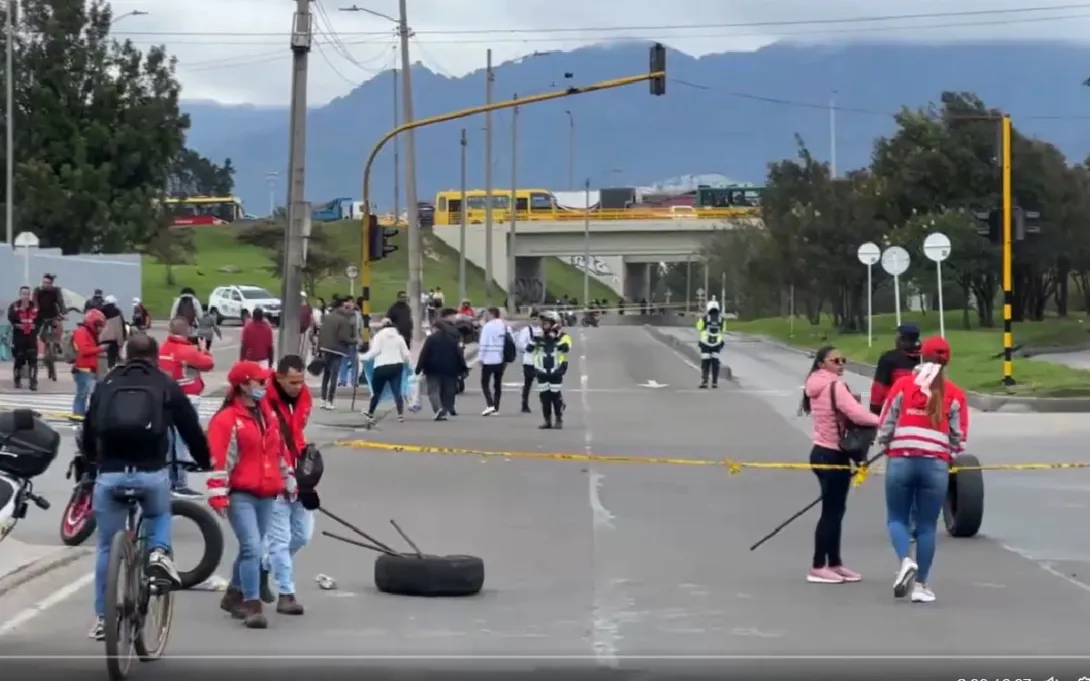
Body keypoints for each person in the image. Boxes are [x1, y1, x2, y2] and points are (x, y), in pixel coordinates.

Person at [81, 333, 212, 641]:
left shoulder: (106, 385)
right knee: (159, 513)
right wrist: (204, 461)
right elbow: (190, 429)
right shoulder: (166, 385)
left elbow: (89, 429)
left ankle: (104, 617)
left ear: (125, 354)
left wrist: (91, 464)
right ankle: (158, 554)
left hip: (110, 474)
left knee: (104, 546)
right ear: (156, 356)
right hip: (151, 473)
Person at [876, 336, 968, 604]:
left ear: (920, 356)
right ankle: (921, 586)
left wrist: (887, 444)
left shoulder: (903, 386)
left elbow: (885, 424)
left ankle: (905, 561)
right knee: (927, 526)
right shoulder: (955, 394)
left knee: (896, 518)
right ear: (947, 360)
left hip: (901, 460)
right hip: (935, 464)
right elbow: (958, 438)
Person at [208, 360, 294, 629]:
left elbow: (277, 451)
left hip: (267, 492)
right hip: (241, 493)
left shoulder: (267, 414)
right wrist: (218, 494)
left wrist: (288, 479)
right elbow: (221, 460)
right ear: (244, 385)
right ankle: (252, 604)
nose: (265, 385)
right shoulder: (227, 420)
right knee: (252, 547)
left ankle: (234, 593)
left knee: (252, 548)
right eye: (259, 381)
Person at [800, 345, 880, 584]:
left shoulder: (815, 384)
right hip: (833, 454)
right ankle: (818, 566)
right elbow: (858, 415)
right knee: (831, 513)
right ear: (822, 363)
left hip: (821, 452)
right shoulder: (835, 386)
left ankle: (834, 563)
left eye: (843, 359)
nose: (841, 364)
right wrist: (886, 422)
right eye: (835, 360)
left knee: (835, 510)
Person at [261, 354, 315, 614]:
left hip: (300, 475)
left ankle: (262, 565)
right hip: (273, 478)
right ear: (279, 377)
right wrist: (282, 474)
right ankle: (286, 593)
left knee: (302, 535)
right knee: (280, 540)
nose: (298, 387)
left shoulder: (305, 398)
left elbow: (298, 434)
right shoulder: (261, 401)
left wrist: (304, 473)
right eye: (293, 382)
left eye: (301, 381)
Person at [159, 317, 216, 497]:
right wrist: (204, 349)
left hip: (165, 397)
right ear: (187, 330)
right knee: (183, 441)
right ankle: (181, 483)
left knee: (169, 442)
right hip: (187, 397)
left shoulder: (162, 349)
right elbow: (208, 364)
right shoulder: (187, 351)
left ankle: (169, 479)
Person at [415, 309, 467, 420]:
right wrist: (463, 368)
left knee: (433, 390)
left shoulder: (431, 339)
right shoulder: (452, 340)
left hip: (432, 369)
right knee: (448, 390)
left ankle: (438, 409)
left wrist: (418, 369)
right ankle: (446, 409)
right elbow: (459, 354)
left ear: (435, 328)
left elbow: (424, 354)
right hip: (450, 369)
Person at [360, 318, 411, 423]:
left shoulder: (378, 336)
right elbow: (406, 354)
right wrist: (408, 364)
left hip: (381, 366)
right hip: (397, 365)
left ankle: (371, 412)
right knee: (397, 390)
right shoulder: (399, 338)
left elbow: (375, 351)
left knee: (377, 391)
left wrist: (362, 357)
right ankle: (400, 414)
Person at [527, 310, 572, 429]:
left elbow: (566, 348)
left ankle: (558, 419)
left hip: (556, 370)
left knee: (555, 396)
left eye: (546, 323)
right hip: (541, 370)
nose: (543, 325)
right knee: (544, 397)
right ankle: (547, 421)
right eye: (543, 323)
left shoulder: (563, 336)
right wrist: (535, 340)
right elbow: (528, 349)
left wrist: (555, 338)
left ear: (553, 323)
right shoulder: (538, 336)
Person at [869, 323, 921, 415]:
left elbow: (878, 388)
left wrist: (874, 409)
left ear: (901, 339)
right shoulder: (925, 357)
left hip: (894, 412)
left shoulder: (889, 358)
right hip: (919, 411)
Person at [316, 298, 356, 410]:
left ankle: (323, 400)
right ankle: (330, 400)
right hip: (337, 350)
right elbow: (344, 337)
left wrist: (319, 347)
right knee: (334, 375)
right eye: (345, 307)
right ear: (341, 307)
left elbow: (321, 333)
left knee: (326, 375)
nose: (347, 309)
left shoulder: (327, 318)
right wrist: (355, 341)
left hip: (325, 348)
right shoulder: (344, 320)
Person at [71, 309, 106, 418]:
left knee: (85, 394)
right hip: (83, 369)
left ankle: (81, 414)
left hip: (88, 369)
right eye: (98, 325)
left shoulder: (88, 333)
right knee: (82, 394)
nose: (100, 329)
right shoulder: (81, 332)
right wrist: (100, 349)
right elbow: (84, 350)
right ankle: (78, 414)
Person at [477, 307, 512, 416]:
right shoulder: (504, 326)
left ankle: (490, 405)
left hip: (488, 358)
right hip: (500, 358)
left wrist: (480, 358)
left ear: (491, 314)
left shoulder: (487, 327)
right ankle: (496, 408)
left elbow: (484, 343)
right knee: (497, 384)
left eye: (487, 314)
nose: (485, 317)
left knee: (485, 383)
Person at [8, 286, 39, 390]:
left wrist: (37, 327)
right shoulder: (14, 306)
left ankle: (33, 382)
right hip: (19, 338)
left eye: (27, 294)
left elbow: (39, 319)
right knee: (19, 359)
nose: (25, 296)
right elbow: (11, 318)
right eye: (23, 294)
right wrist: (19, 311)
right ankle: (17, 379)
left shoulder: (34, 306)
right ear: (20, 294)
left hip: (31, 338)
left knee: (33, 361)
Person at [696, 300, 725, 389]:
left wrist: (700, 320)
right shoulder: (721, 319)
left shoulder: (705, 318)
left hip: (705, 344)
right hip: (717, 344)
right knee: (715, 363)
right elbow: (723, 330)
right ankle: (714, 382)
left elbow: (699, 327)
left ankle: (705, 381)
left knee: (705, 363)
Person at [517, 309, 541, 414]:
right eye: (533, 318)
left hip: (541, 361)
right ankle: (524, 404)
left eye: (537, 319)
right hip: (529, 361)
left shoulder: (542, 330)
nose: (535, 321)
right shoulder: (526, 330)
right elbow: (520, 343)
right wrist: (527, 348)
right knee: (528, 383)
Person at [99, 295, 127, 369]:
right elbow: (121, 326)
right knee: (113, 357)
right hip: (114, 338)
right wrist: (123, 338)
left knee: (102, 357)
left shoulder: (100, 311)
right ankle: (111, 369)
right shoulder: (117, 312)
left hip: (102, 338)